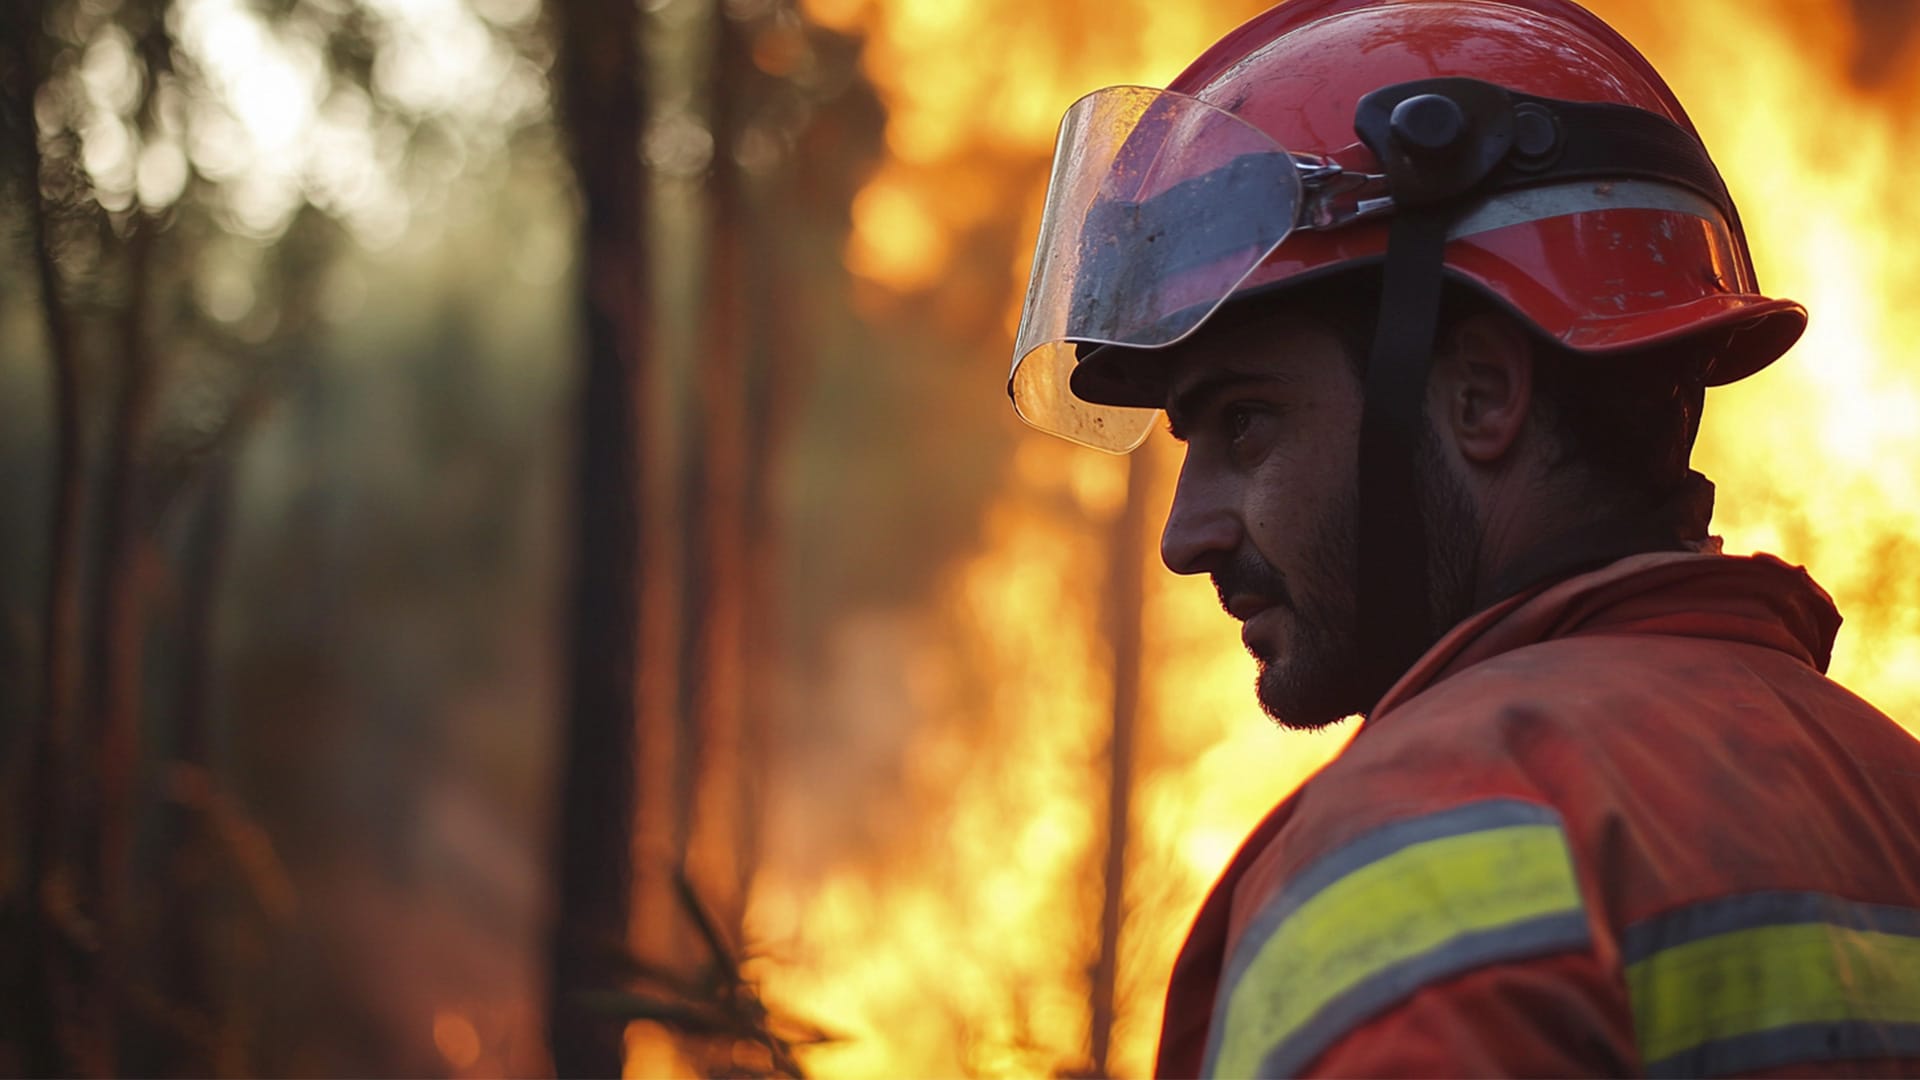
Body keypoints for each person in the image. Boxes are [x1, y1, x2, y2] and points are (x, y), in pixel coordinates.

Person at [1005, 0, 1920, 1075]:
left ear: (1481, 394)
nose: (1184, 535)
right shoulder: (1885, 790)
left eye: (1245, 423)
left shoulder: (1423, 842)